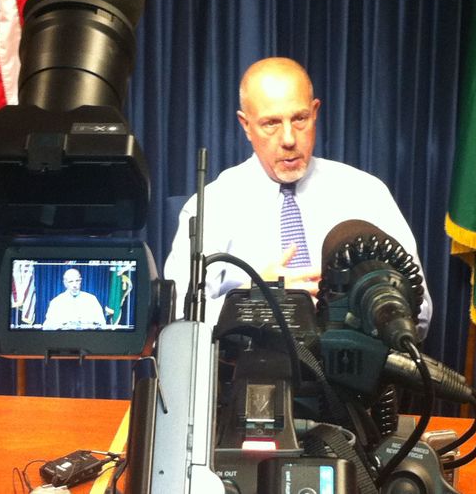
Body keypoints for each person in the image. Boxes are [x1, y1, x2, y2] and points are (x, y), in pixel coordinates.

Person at [163, 57, 432, 339]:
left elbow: (421, 313)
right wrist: (250, 303)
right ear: (245, 125)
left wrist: (358, 310)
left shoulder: (366, 193)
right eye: (271, 123)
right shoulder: (212, 205)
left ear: (315, 112)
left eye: (300, 118)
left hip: (350, 375)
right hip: (246, 373)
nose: (289, 138)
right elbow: (178, 321)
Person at [41, 268, 106, 330]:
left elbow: (102, 323)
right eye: (71, 281)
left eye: (77, 281)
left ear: (81, 280)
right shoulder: (56, 302)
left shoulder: (91, 300)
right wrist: (62, 325)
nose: (74, 285)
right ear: (65, 283)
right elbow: (47, 326)